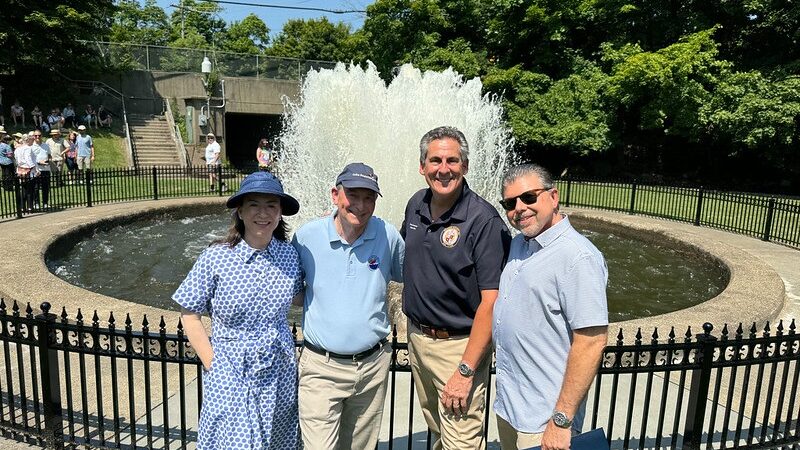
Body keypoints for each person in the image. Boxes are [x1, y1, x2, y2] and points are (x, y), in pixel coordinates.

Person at [173, 171, 303, 449]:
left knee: (275, 440)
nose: (263, 213)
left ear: (280, 213)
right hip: (231, 370)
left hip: (278, 371)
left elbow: (299, 297)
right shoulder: (217, 256)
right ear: (240, 211)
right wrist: (213, 364)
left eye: (271, 205)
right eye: (254, 204)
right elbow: (189, 313)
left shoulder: (288, 255)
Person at [401, 126, 511, 450]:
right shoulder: (415, 206)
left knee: (461, 442)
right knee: (438, 430)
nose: (443, 169)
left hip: (458, 347)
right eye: (435, 160)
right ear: (423, 166)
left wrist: (464, 371)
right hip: (418, 338)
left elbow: (492, 302)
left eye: (452, 160)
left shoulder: (483, 220)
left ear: (465, 165)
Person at [493, 163, 609, 450]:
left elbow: (591, 341)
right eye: (510, 203)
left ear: (553, 197)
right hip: (510, 409)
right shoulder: (520, 244)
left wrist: (561, 420)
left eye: (529, 197)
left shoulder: (578, 257)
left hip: (544, 420)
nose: (519, 208)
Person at [291, 162, 404, 450]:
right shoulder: (306, 238)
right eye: (353, 195)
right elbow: (292, 292)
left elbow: (412, 277)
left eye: (369, 198)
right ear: (335, 195)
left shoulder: (388, 235)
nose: (361, 205)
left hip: (371, 368)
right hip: (321, 367)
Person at [14, 133, 38, 212]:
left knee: (23, 189)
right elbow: (28, 159)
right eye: (31, 139)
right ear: (27, 140)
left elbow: (17, 160)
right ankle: (30, 207)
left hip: (20, 170)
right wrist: (34, 168)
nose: (33, 140)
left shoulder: (17, 149)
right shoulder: (28, 148)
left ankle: (22, 207)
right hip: (29, 170)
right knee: (30, 190)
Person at [32, 130, 51, 208]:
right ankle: (36, 203)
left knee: (46, 187)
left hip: (46, 169)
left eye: (39, 135)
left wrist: (48, 160)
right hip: (36, 169)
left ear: (41, 136)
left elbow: (49, 155)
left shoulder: (46, 145)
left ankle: (45, 202)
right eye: (36, 136)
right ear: (33, 136)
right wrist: (39, 162)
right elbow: (30, 158)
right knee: (36, 187)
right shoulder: (31, 146)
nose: (37, 137)